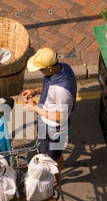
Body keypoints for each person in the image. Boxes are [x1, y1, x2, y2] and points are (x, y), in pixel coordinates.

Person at [22, 47, 77, 184]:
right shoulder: (62, 68)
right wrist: (35, 91)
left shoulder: (63, 92)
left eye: (41, 69)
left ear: (49, 68)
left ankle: (56, 176)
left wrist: (35, 108)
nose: (40, 72)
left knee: (53, 156)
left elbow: (60, 118)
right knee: (43, 150)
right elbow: (50, 90)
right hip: (45, 122)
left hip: (55, 128)